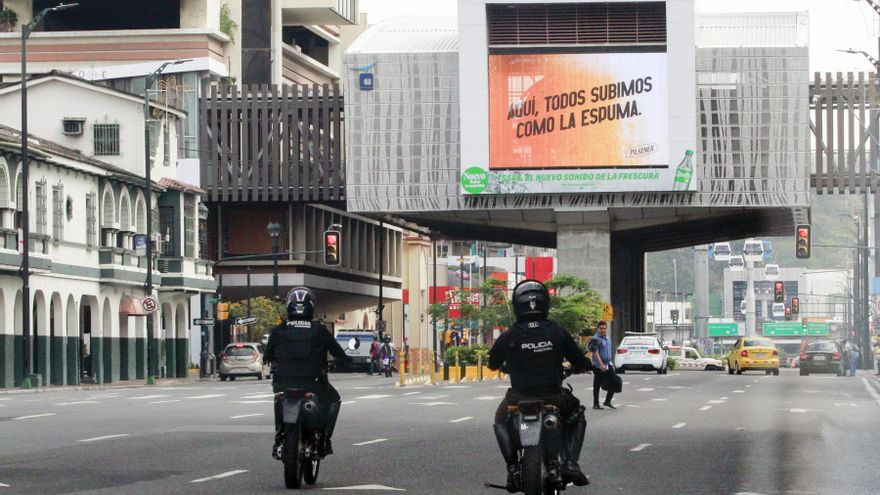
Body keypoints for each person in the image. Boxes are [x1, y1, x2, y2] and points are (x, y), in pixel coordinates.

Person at [488, 280, 591, 491]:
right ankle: (570, 461)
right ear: (545, 303)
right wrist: (584, 365)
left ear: (517, 305)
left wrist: (508, 365)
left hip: (518, 397)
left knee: (500, 420)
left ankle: (512, 467)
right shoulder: (557, 332)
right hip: (554, 396)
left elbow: (492, 364)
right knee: (577, 414)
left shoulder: (509, 335)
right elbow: (579, 361)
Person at [264, 286, 353, 459]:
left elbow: (267, 355)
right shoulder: (319, 330)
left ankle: (278, 437)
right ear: (311, 307)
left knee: (279, 399)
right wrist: (346, 361)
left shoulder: (279, 330)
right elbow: (338, 352)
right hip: (314, 382)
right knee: (333, 399)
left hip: (284, 381)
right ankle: (325, 438)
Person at [590, 321, 616, 409]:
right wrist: (601, 365)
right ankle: (596, 404)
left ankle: (607, 401)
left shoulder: (608, 338)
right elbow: (595, 353)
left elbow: (608, 351)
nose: (603, 330)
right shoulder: (595, 339)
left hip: (608, 364)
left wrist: (611, 364)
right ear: (598, 328)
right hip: (598, 366)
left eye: (604, 328)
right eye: (601, 328)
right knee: (597, 385)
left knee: (614, 381)